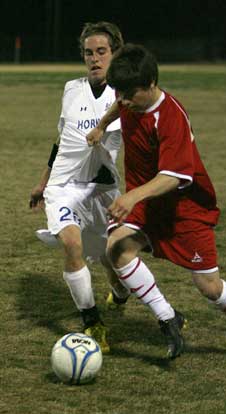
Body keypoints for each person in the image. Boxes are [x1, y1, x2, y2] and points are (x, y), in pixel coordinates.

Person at [86, 43, 226, 364]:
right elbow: (118, 105)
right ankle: (168, 319)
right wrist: (101, 125)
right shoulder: (127, 97)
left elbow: (173, 177)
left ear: (151, 83)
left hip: (185, 209)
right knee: (116, 249)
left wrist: (131, 196)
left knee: (210, 288)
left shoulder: (170, 118)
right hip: (146, 202)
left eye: (129, 94)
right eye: (120, 93)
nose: (123, 100)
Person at [29, 21, 130, 353]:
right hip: (64, 187)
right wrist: (44, 182)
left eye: (101, 52)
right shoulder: (71, 89)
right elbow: (61, 141)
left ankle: (120, 293)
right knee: (72, 244)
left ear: (115, 54)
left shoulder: (125, 95)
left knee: (108, 257)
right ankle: (92, 321)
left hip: (102, 190)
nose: (94, 59)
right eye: (89, 53)